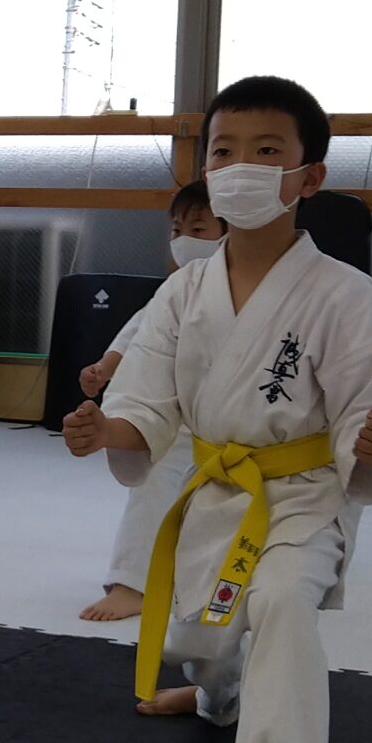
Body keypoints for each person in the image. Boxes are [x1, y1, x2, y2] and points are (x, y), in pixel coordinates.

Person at [62, 76, 372, 743]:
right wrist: (108, 430)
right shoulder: (184, 291)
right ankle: (216, 698)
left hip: (304, 491)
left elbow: (371, 407)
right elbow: (148, 403)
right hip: (216, 485)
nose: (241, 165)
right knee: (211, 632)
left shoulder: (342, 292)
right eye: (224, 150)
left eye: (267, 151)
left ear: (308, 176)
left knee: (280, 603)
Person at [78, 180, 225, 622]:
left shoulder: (260, 287)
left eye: (198, 229)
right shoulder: (176, 289)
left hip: (239, 422)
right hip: (179, 417)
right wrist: (106, 367)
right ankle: (133, 583)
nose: (183, 240)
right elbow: (139, 334)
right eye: (177, 230)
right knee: (154, 484)